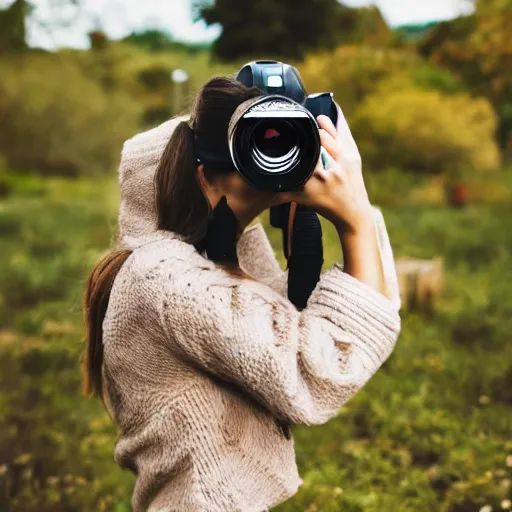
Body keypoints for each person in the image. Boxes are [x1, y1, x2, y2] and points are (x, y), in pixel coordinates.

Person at [83, 76, 402, 512]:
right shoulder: (163, 278)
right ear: (204, 174)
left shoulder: (218, 254)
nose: (276, 152)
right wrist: (356, 220)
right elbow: (321, 365)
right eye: (259, 141)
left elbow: (298, 322)